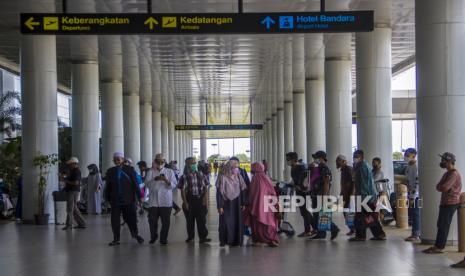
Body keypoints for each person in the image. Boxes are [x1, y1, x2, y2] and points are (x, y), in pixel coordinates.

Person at [423, 152, 462, 254]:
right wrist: (443, 188)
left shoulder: (453, 174)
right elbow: (438, 186)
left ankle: (439, 247)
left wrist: (444, 188)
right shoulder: (447, 173)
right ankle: (437, 245)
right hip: (445, 202)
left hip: (451, 202)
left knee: (444, 225)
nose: (442, 162)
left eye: (444, 160)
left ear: (449, 161)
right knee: (441, 224)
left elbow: (443, 187)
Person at [104, 152, 144, 246]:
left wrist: (140, 196)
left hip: (128, 199)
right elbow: (108, 186)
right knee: (115, 220)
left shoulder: (130, 169)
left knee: (131, 218)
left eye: (119, 159)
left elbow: (135, 184)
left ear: (122, 160)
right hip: (115, 200)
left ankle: (136, 234)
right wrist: (106, 199)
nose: (117, 161)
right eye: (115, 159)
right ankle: (116, 239)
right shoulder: (110, 171)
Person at [350, 150, 386, 242]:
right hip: (364, 195)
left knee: (366, 216)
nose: (354, 158)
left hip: (365, 196)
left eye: (356, 156)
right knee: (364, 216)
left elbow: (365, 184)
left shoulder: (363, 167)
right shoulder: (360, 166)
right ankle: (375, 234)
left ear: (361, 157)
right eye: (354, 156)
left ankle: (370, 235)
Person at [145, 154, 178, 245]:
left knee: (165, 222)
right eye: (157, 162)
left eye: (161, 162)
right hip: (153, 202)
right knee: (152, 221)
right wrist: (155, 179)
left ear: (164, 162)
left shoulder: (169, 171)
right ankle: (153, 236)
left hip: (166, 201)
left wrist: (166, 180)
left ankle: (163, 239)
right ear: (155, 162)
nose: (159, 163)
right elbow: (147, 184)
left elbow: (174, 185)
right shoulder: (150, 172)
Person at [244, 163, 279, 247]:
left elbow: (251, 193)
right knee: (269, 221)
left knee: (258, 223)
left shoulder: (255, 179)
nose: (251, 170)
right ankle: (270, 239)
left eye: (252, 168)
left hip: (256, 206)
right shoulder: (266, 177)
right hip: (268, 205)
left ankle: (259, 239)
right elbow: (272, 191)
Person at [178, 157, 211, 243]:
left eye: (194, 163)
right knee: (190, 220)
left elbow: (205, 187)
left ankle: (203, 237)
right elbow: (182, 190)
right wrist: (185, 203)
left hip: (200, 199)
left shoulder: (201, 174)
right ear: (187, 165)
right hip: (189, 200)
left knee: (202, 220)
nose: (193, 165)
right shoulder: (184, 176)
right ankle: (191, 237)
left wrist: (205, 200)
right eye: (191, 163)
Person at [309, 151, 340, 240]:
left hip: (321, 194)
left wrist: (324, 195)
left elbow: (326, 182)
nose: (315, 160)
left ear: (322, 158)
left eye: (316, 158)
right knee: (317, 215)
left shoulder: (324, 168)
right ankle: (321, 233)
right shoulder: (318, 167)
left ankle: (334, 228)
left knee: (321, 215)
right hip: (316, 193)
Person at [216, 161, 248, 247]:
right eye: (235, 167)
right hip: (226, 203)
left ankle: (236, 241)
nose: (236, 169)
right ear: (229, 167)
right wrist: (220, 206)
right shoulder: (222, 178)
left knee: (237, 222)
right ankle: (225, 240)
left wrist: (243, 203)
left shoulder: (238, 176)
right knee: (226, 223)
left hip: (237, 203)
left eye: (237, 167)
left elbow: (242, 190)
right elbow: (219, 193)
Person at [286, 152, 313, 237]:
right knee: (303, 211)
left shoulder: (301, 167)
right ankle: (314, 228)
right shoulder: (293, 168)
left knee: (305, 211)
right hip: (298, 191)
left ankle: (308, 230)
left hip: (304, 192)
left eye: (288, 159)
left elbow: (305, 180)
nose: (287, 161)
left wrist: (300, 186)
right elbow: (295, 179)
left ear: (294, 159)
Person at [62, 157, 86, 230]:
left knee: (70, 208)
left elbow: (76, 183)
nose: (69, 166)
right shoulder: (73, 171)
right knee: (74, 208)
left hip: (73, 191)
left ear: (74, 164)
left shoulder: (76, 171)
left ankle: (69, 225)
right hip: (72, 191)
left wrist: (65, 181)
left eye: (70, 164)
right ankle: (82, 223)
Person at [402, 148, 421, 242]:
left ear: (414, 155)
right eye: (405, 154)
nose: (405, 156)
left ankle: (416, 234)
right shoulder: (408, 166)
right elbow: (407, 180)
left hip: (417, 195)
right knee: (413, 213)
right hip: (410, 194)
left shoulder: (416, 166)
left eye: (407, 155)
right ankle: (415, 233)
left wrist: (413, 196)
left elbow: (417, 182)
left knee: (416, 213)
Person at [336, 154, 355, 235]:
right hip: (344, 195)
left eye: (338, 161)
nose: (336, 163)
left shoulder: (348, 169)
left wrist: (351, 194)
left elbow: (353, 182)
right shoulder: (343, 170)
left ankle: (353, 228)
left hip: (349, 195)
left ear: (343, 161)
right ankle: (352, 228)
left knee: (348, 212)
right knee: (345, 211)